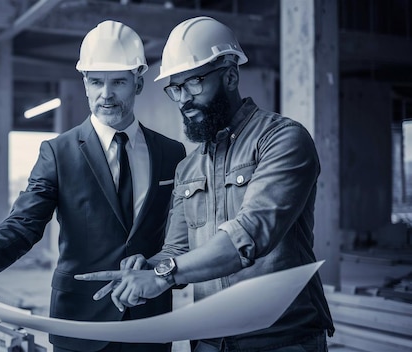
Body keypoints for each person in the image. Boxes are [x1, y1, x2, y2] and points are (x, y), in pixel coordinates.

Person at [76, 16, 335, 352]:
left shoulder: (282, 139)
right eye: (175, 88)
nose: (183, 99)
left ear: (230, 75)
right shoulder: (189, 167)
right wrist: (146, 267)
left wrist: (164, 273)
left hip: (280, 339)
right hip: (211, 340)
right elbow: (177, 251)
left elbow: (250, 234)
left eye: (194, 83)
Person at [0, 20, 186, 352]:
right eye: (96, 82)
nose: (106, 94)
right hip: (79, 323)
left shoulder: (171, 153)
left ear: (138, 83)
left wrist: (162, 267)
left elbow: (184, 228)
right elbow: (24, 223)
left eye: (118, 82)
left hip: (149, 318)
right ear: (85, 84)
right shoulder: (58, 153)